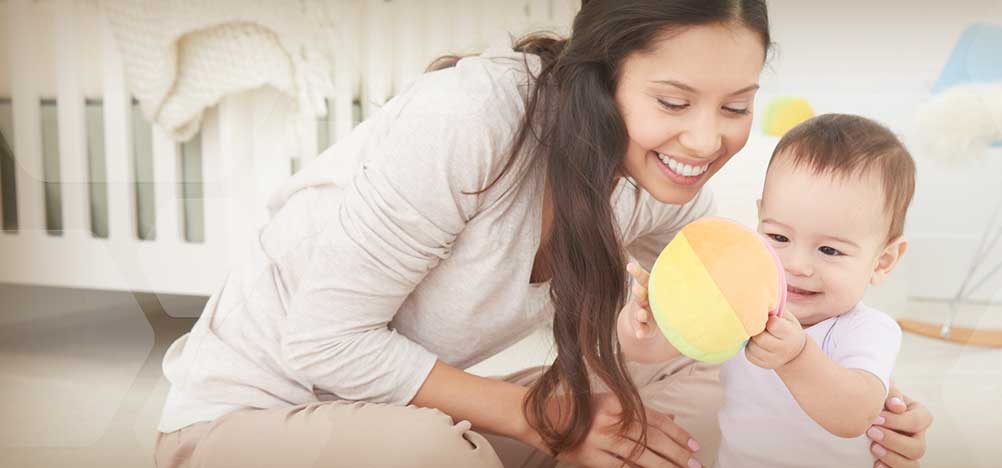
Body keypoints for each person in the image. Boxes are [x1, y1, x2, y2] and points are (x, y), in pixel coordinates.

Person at [152, 1, 932, 467]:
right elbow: (324, 344)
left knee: (695, 395)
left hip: (427, 416)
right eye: (673, 101)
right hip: (251, 420)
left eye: (734, 107)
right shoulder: (473, 117)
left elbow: (762, 317)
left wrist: (870, 410)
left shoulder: (661, 182)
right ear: (603, 78)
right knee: (425, 454)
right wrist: (551, 421)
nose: (704, 142)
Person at [620, 113, 915, 467]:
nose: (796, 265)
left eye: (830, 250)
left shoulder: (867, 330)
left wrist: (796, 357)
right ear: (759, 220)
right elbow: (652, 351)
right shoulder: (744, 306)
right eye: (778, 237)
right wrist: (648, 323)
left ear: (882, 261)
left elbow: (856, 415)